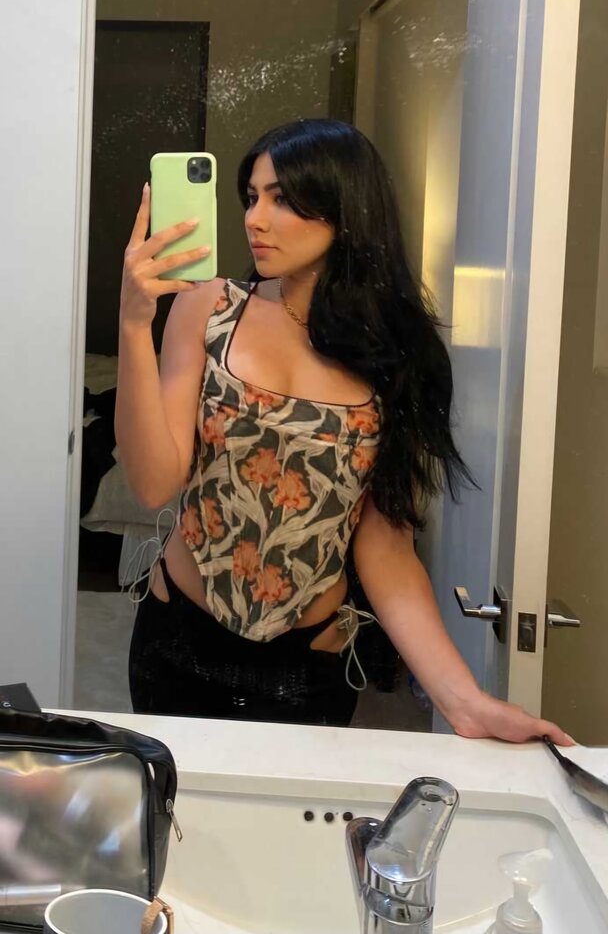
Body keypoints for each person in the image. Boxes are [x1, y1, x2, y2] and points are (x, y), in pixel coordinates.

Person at [116, 117, 573, 744]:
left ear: (345, 206)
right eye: (251, 197)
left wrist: (465, 702)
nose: (255, 219)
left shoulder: (394, 356)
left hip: (308, 666)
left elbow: (386, 547)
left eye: (282, 198)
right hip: (178, 642)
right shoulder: (209, 308)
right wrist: (133, 324)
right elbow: (152, 483)